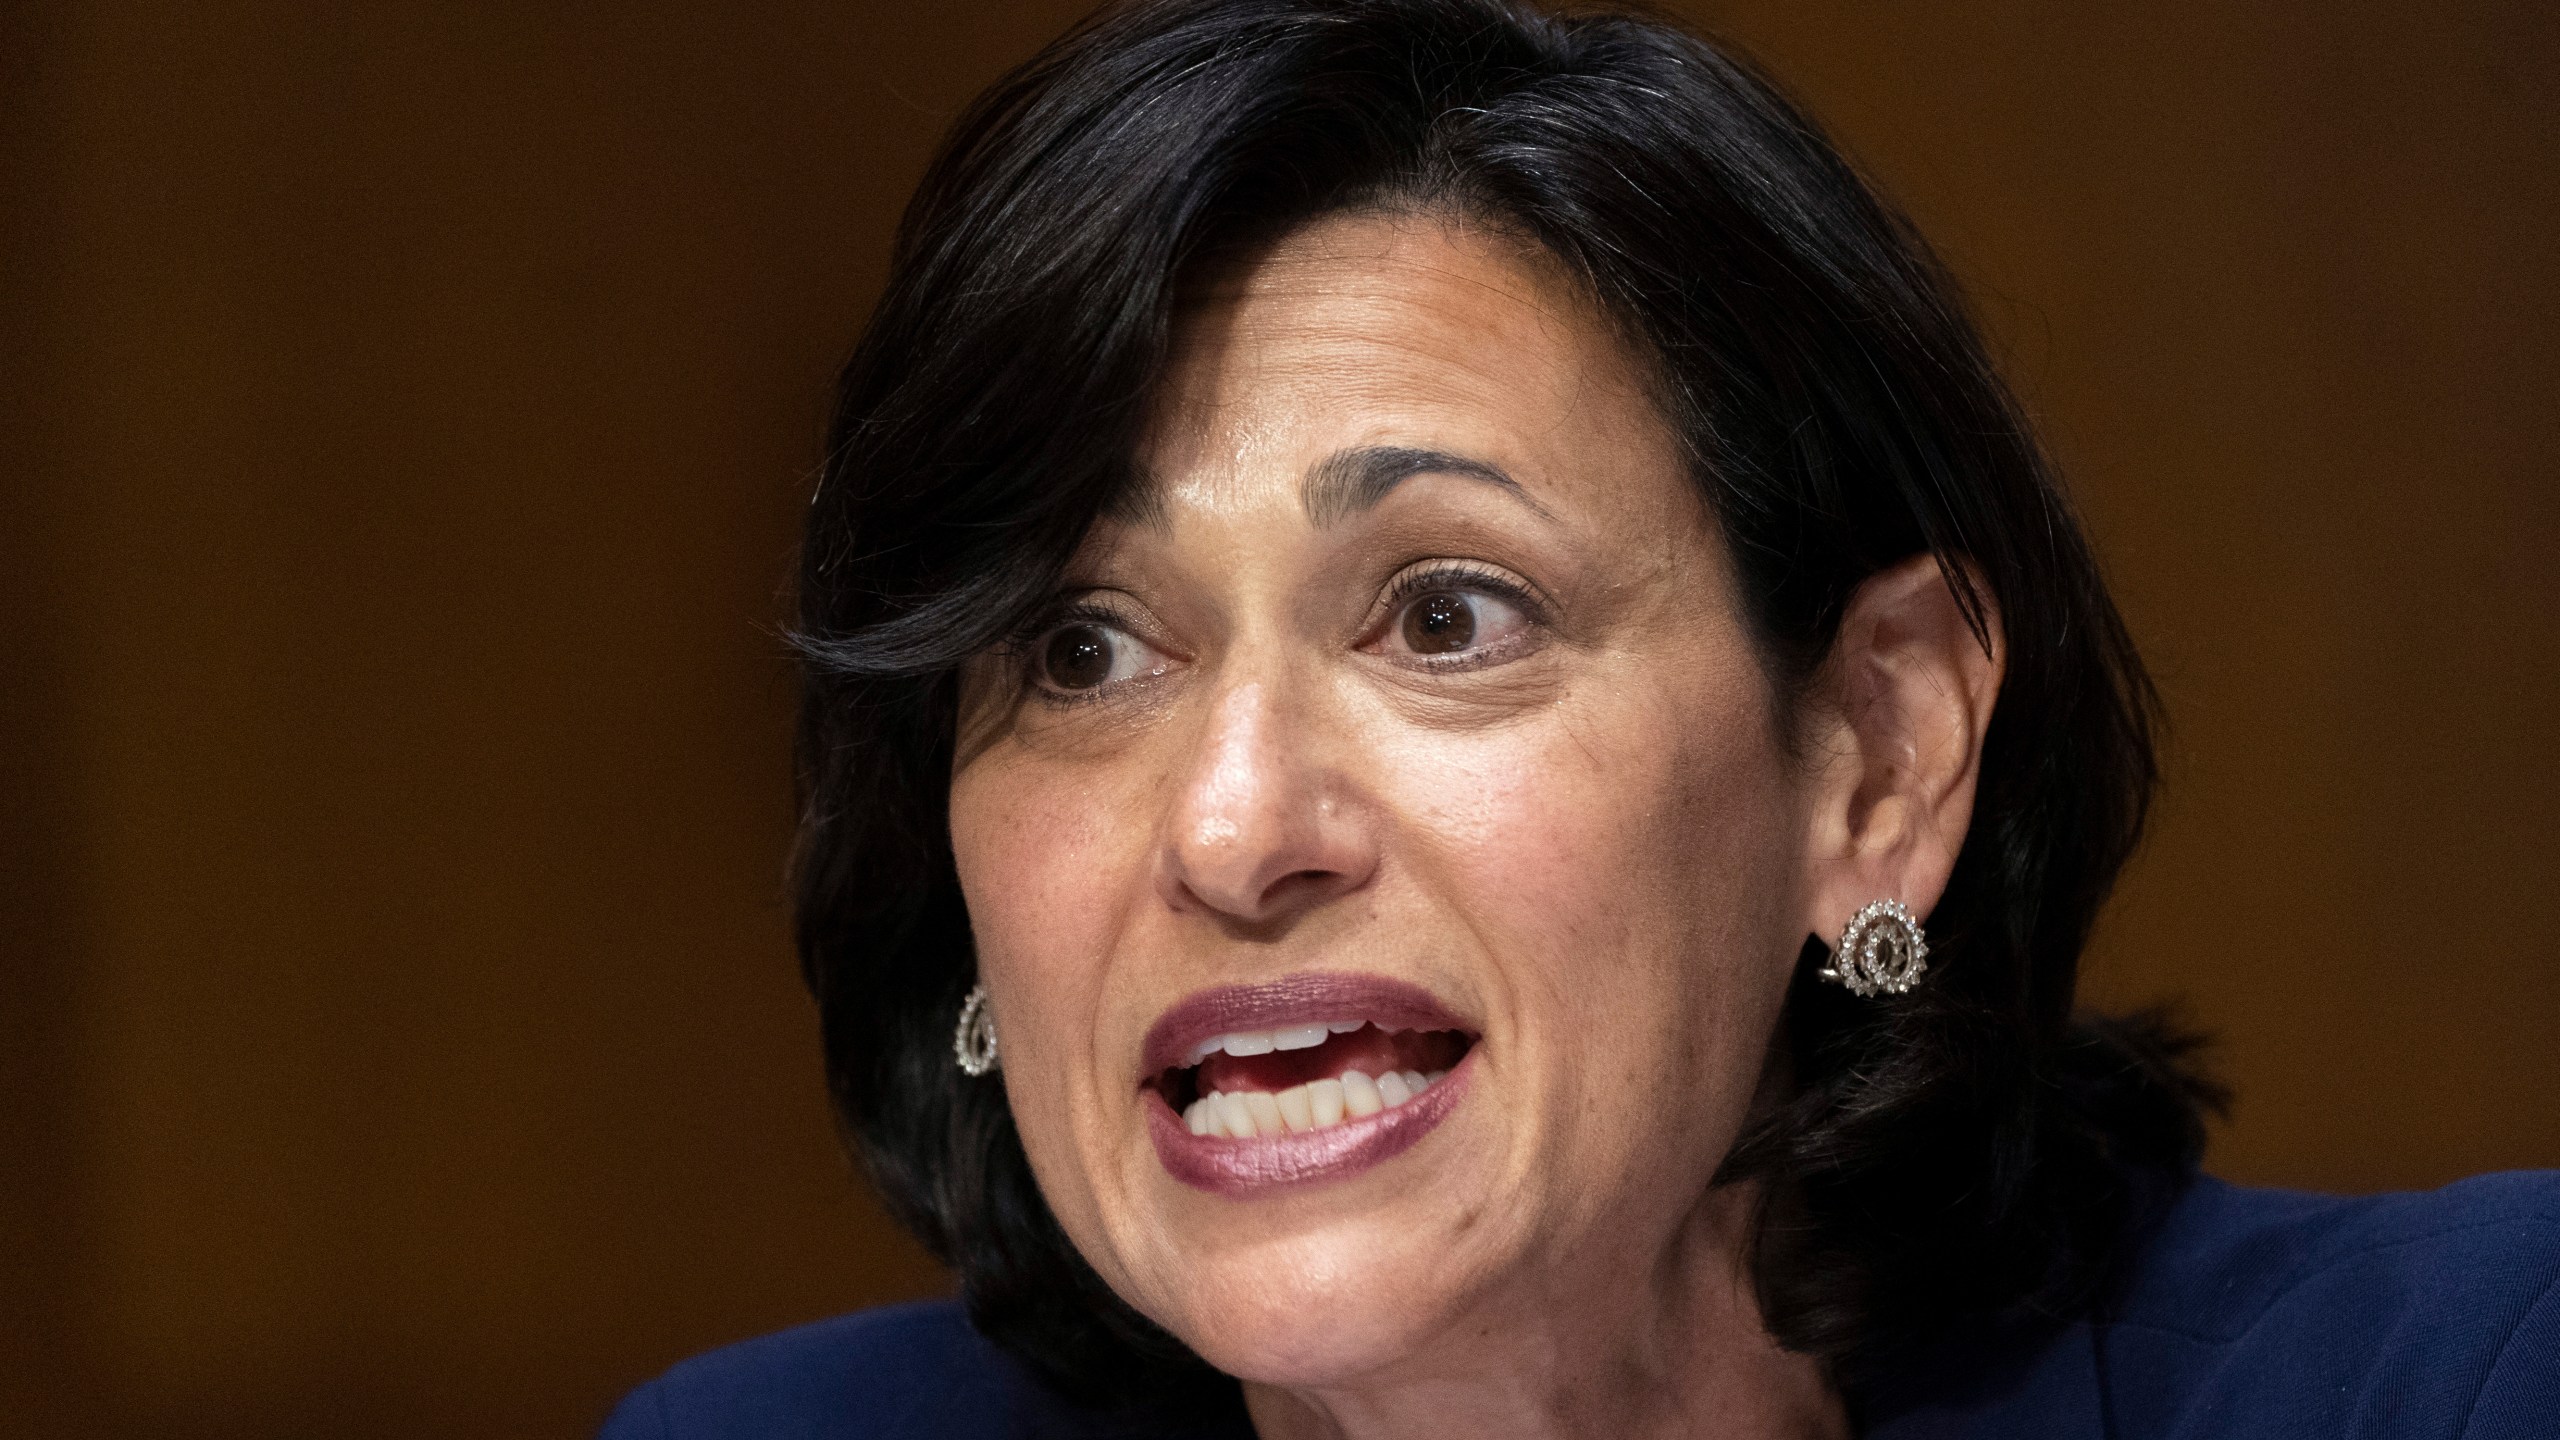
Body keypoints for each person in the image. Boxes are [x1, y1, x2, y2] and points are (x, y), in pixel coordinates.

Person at [601, 0, 2560, 1435]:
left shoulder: (2467, 1377)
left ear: (1874, 761)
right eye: (1080, 649)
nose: (1227, 822)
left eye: (1444, 614)